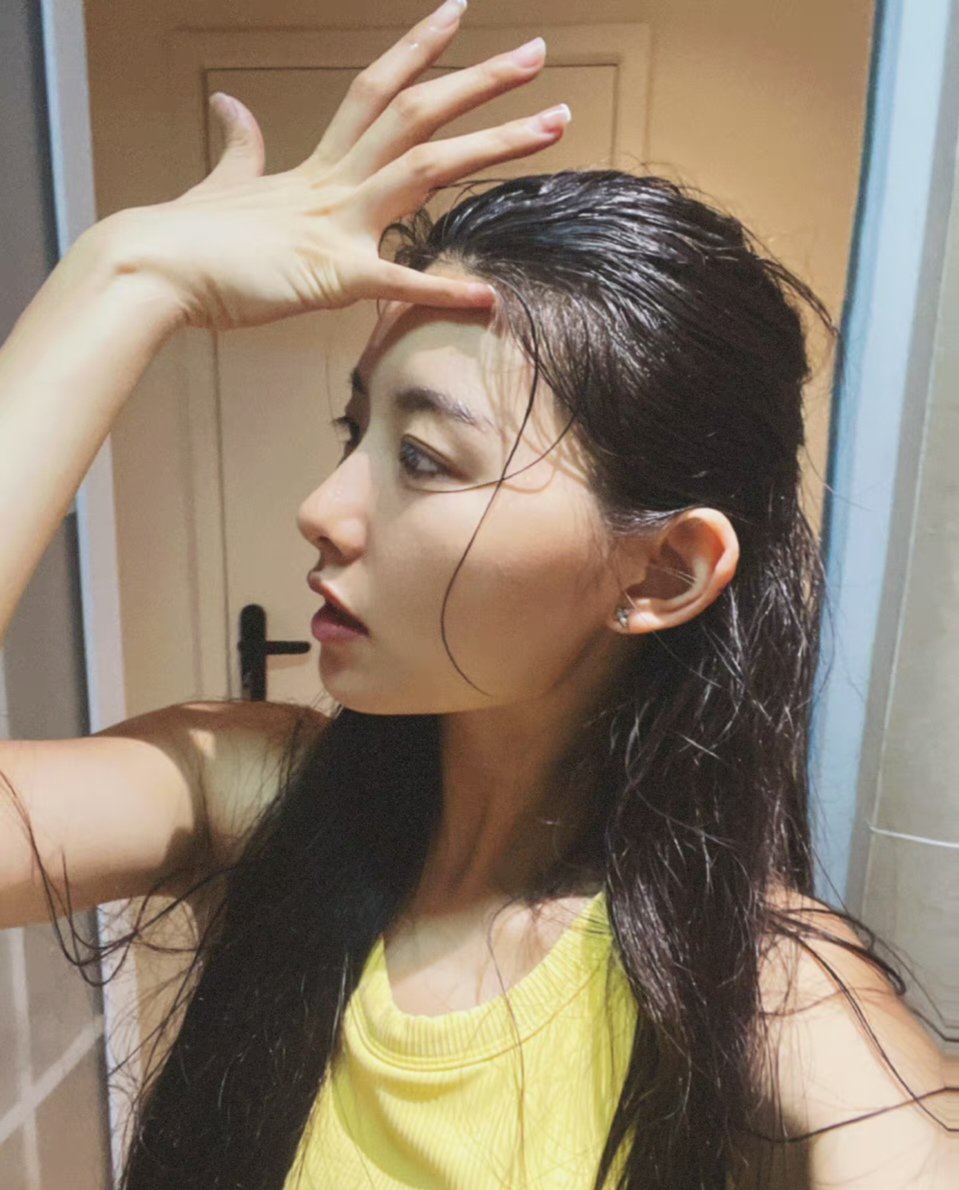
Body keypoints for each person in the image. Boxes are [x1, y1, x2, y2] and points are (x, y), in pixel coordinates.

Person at [0, 2, 955, 1186]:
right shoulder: (256, 799)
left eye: (421, 456)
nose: (321, 506)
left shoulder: (758, 981)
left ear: (660, 571)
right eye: (352, 431)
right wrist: (124, 275)